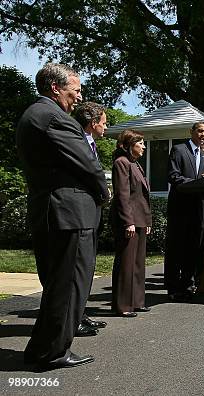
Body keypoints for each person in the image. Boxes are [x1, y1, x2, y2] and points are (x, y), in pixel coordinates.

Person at [17, 63, 109, 369]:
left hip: (51, 211)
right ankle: (52, 352)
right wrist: (104, 193)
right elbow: (88, 165)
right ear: (56, 87)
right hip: (69, 213)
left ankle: (41, 349)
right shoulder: (56, 118)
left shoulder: (34, 115)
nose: (80, 96)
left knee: (58, 286)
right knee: (70, 286)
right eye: (76, 88)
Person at [72, 101, 109, 335]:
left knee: (87, 266)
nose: (106, 127)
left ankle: (80, 313)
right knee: (78, 268)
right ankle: (73, 320)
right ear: (93, 123)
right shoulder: (77, 142)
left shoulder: (92, 144)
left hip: (92, 211)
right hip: (79, 211)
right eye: (104, 123)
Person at [165, 122, 204, 301]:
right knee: (176, 249)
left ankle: (187, 286)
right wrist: (197, 183)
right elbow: (173, 176)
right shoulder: (178, 150)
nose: (203, 135)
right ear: (191, 132)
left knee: (193, 250)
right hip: (180, 209)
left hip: (198, 210)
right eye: (200, 131)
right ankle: (172, 288)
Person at [110, 130, 152, 317]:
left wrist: (147, 220)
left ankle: (137, 302)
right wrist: (128, 222)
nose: (144, 146)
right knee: (126, 263)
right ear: (129, 145)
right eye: (140, 143)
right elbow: (122, 195)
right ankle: (123, 305)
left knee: (137, 264)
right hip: (128, 221)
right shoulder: (122, 163)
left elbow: (143, 197)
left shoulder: (136, 164)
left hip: (140, 220)